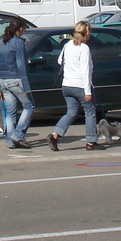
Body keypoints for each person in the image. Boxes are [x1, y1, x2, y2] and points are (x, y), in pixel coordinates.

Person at [47, 21, 99, 152]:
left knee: (71, 112)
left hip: (67, 85)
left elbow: (60, 61)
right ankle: (91, 141)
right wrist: (88, 91)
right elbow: (85, 70)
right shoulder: (84, 48)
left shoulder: (67, 45)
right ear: (86, 33)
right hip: (80, 85)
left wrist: (70, 67)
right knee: (90, 112)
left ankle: (55, 134)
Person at [0, 17, 33, 149]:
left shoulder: (1, 42)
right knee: (29, 106)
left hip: (3, 81)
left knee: (11, 112)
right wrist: (26, 86)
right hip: (16, 80)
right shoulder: (18, 42)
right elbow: (21, 65)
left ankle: (10, 141)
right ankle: (18, 135)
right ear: (21, 29)